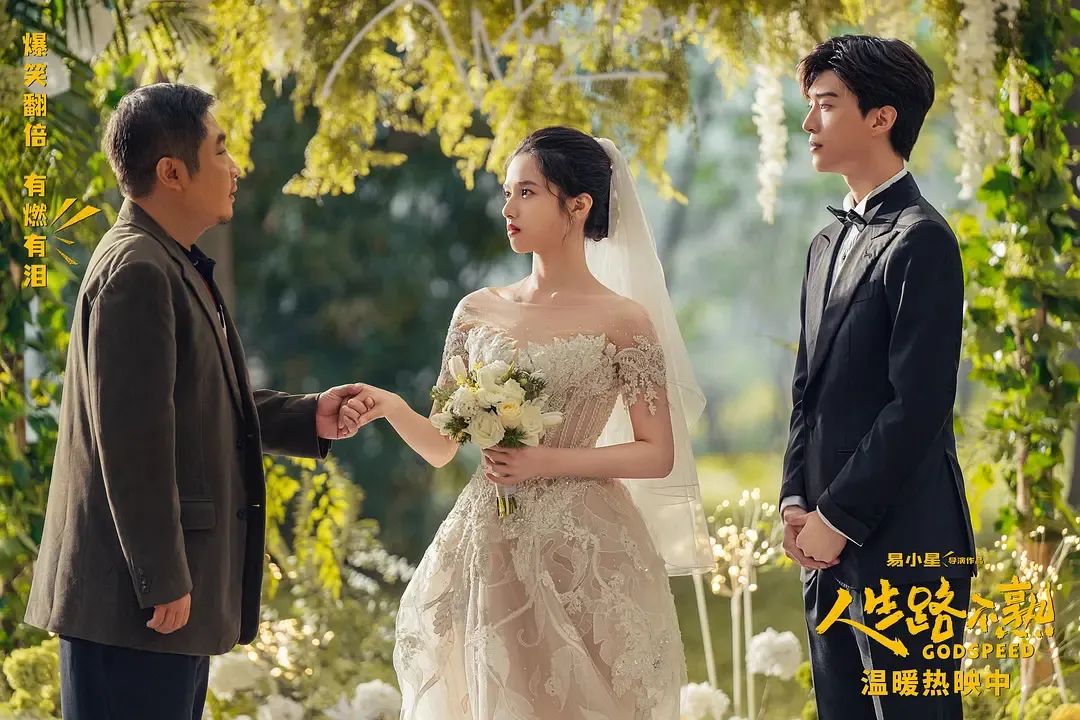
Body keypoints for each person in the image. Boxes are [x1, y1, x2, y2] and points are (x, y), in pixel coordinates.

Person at [337, 127, 714, 719]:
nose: (508, 209)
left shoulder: (624, 320)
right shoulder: (476, 311)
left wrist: (544, 460)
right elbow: (441, 445)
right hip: (489, 542)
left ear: (578, 206)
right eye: (507, 193)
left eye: (527, 192)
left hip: (583, 548)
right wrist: (391, 406)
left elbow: (655, 452)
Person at [24, 83, 365, 720]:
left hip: (157, 609)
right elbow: (132, 439)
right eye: (222, 150)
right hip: (135, 611)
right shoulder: (139, 270)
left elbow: (196, 402)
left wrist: (306, 416)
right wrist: (162, 576)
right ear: (172, 173)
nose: (236, 168)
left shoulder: (167, 260)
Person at [778, 35, 977, 720]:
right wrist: (796, 499)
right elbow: (807, 390)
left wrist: (838, 516)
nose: (809, 122)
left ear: (881, 117)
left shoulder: (923, 238)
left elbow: (919, 403)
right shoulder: (825, 244)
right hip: (823, 547)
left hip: (907, 545)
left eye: (827, 104)